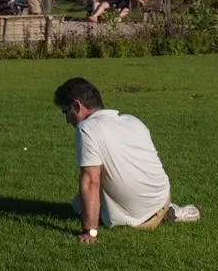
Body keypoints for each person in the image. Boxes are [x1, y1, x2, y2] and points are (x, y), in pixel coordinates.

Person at [53, 77, 171, 243]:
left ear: (77, 106)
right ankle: (166, 211)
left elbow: (90, 182)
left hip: (137, 221)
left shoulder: (86, 129)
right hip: (162, 198)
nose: (67, 120)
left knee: (79, 204)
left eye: (66, 112)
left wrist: (90, 231)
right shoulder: (132, 120)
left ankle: (120, 215)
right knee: (79, 202)